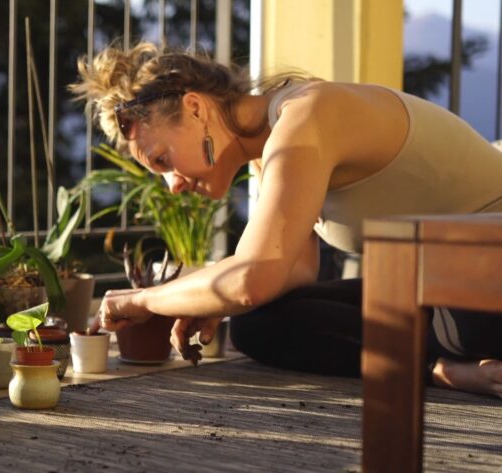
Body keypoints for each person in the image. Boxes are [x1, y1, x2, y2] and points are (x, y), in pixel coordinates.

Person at [70, 41, 502, 398]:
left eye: (164, 161)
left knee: (459, 331)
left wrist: (141, 300)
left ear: (196, 107)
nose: (174, 186)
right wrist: (204, 299)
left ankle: (447, 360)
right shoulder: (270, 147)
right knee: (260, 323)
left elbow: (251, 279)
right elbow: (288, 272)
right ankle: (441, 368)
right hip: (440, 286)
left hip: (485, 279)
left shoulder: (307, 115)